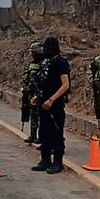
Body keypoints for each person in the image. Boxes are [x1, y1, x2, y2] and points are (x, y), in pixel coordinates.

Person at [31, 36, 71, 174]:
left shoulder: (61, 63)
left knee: (56, 134)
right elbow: (44, 82)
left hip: (55, 105)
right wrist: (38, 97)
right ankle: (45, 160)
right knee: (44, 133)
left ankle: (57, 163)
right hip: (44, 104)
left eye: (47, 48)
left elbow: (65, 85)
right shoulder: (45, 62)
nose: (44, 50)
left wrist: (52, 100)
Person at [20, 42, 44, 144]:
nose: (32, 54)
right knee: (32, 114)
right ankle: (33, 135)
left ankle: (41, 136)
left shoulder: (44, 64)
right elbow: (25, 76)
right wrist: (24, 87)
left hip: (39, 93)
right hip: (30, 93)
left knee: (41, 116)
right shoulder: (31, 64)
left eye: (34, 52)